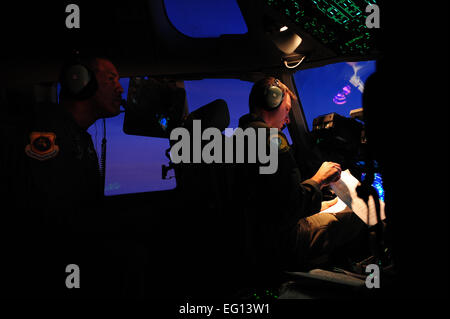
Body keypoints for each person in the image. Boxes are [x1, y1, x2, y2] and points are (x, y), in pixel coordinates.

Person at [8, 55, 126, 297]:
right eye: (111, 78)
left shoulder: (77, 135)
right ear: (81, 82)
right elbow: (51, 219)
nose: (120, 87)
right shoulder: (48, 131)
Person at [235, 77, 365, 272]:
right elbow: (291, 205)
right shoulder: (271, 140)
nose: (288, 119)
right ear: (272, 101)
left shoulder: (242, 136)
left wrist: (317, 197)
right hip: (283, 242)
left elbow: (273, 197)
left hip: (257, 237)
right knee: (358, 215)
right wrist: (319, 179)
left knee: (331, 208)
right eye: (287, 109)